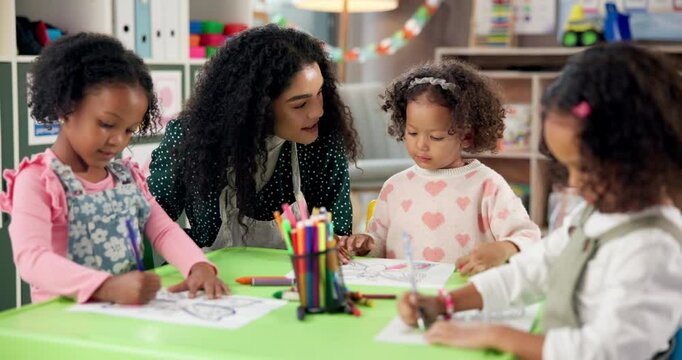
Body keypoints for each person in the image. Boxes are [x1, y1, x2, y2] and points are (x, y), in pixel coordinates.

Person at [397, 43, 682, 359]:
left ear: (642, 154)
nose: (573, 183)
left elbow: (603, 352)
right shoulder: (593, 213)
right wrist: (447, 303)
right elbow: (533, 270)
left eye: (585, 169)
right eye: (567, 166)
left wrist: (497, 335)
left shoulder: (653, 246)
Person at [0, 33, 228, 305]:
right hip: (61, 321)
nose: (119, 140)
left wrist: (197, 266)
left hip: (122, 313)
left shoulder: (126, 177)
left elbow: (163, 229)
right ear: (65, 106)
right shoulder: (38, 180)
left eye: (129, 130)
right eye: (107, 124)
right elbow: (32, 259)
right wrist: (106, 288)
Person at [147, 24, 359, 250]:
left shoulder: (322, 139)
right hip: (217, 280)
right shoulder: (190, 137)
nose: (318, 111)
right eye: (300, 104)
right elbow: (152, 218)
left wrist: (339, 243)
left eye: (320, 93)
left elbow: (338, 230)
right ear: (257, 107)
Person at [338, 60, 540, 274]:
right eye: (412, 133)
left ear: (467, 136)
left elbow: (528, 236)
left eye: (436, 137)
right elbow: (379, 245)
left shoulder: (488, 186)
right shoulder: (395, 187)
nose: (421, 145)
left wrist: (504, 248)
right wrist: (365, 244)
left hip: (463, 295)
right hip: (407, 295)